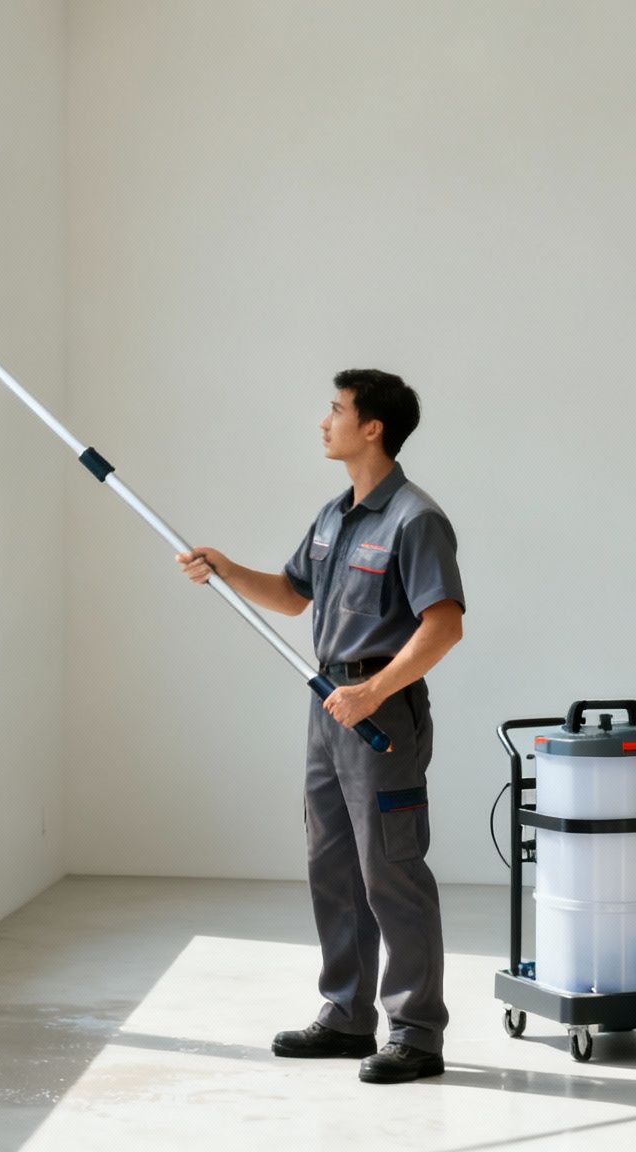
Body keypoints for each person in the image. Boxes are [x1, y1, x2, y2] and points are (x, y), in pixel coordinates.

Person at [177, 368, 465, 1084]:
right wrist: (226, 569)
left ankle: (416, 1033)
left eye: (336, 409)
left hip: (380, 711)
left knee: (390, 868)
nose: (323, 421)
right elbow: (291, 594)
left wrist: (372, 692)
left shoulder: (415, 519)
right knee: (332, 865)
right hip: (329, 704)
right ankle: (346, 1017)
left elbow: (443, 626)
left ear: (373, 427)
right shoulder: (335, 516)